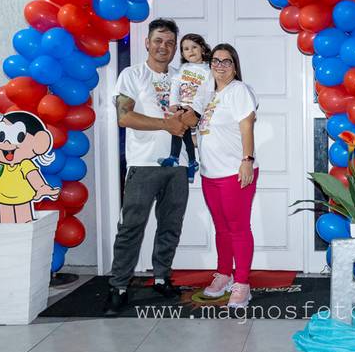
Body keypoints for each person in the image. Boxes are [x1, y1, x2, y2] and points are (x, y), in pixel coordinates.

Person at [105, 18, 190, 316]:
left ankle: (161, 277)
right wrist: (166, 124)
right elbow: (124, 117)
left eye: (169, 43)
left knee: (171, 225)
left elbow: (195, 114)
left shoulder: (183, 77)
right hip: (143, 164)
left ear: (175, 47)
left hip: (178, 164)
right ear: (147, 43)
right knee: (131, 227)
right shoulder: (131, 75)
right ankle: (119, 286)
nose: (163, 47)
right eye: (158, 41)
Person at [186, 43, 258, 309]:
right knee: (222, 229)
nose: (220, 66)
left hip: (234, 172)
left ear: (235, 67)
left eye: (226, 61)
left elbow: (247, 126)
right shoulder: (208, 96)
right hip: (210, 173)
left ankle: (242, 284)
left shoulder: (239, 91)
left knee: (238, 229)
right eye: (215, 61)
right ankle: (224, 274)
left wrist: (247, 160)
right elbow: (205, 134)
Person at [157, 33, 212, 183]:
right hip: (182, 106)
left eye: (194, 47)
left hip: (196, 109)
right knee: (183, 132)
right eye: (186, 49)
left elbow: (210, 92)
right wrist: (173, 104)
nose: (190, 51)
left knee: (180, 128)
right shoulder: (183, 68)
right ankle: (191, 162)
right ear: (182, 53)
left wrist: (201, 111)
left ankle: (176, 158)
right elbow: (175, 86)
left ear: (202, 49)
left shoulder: (208, 70)